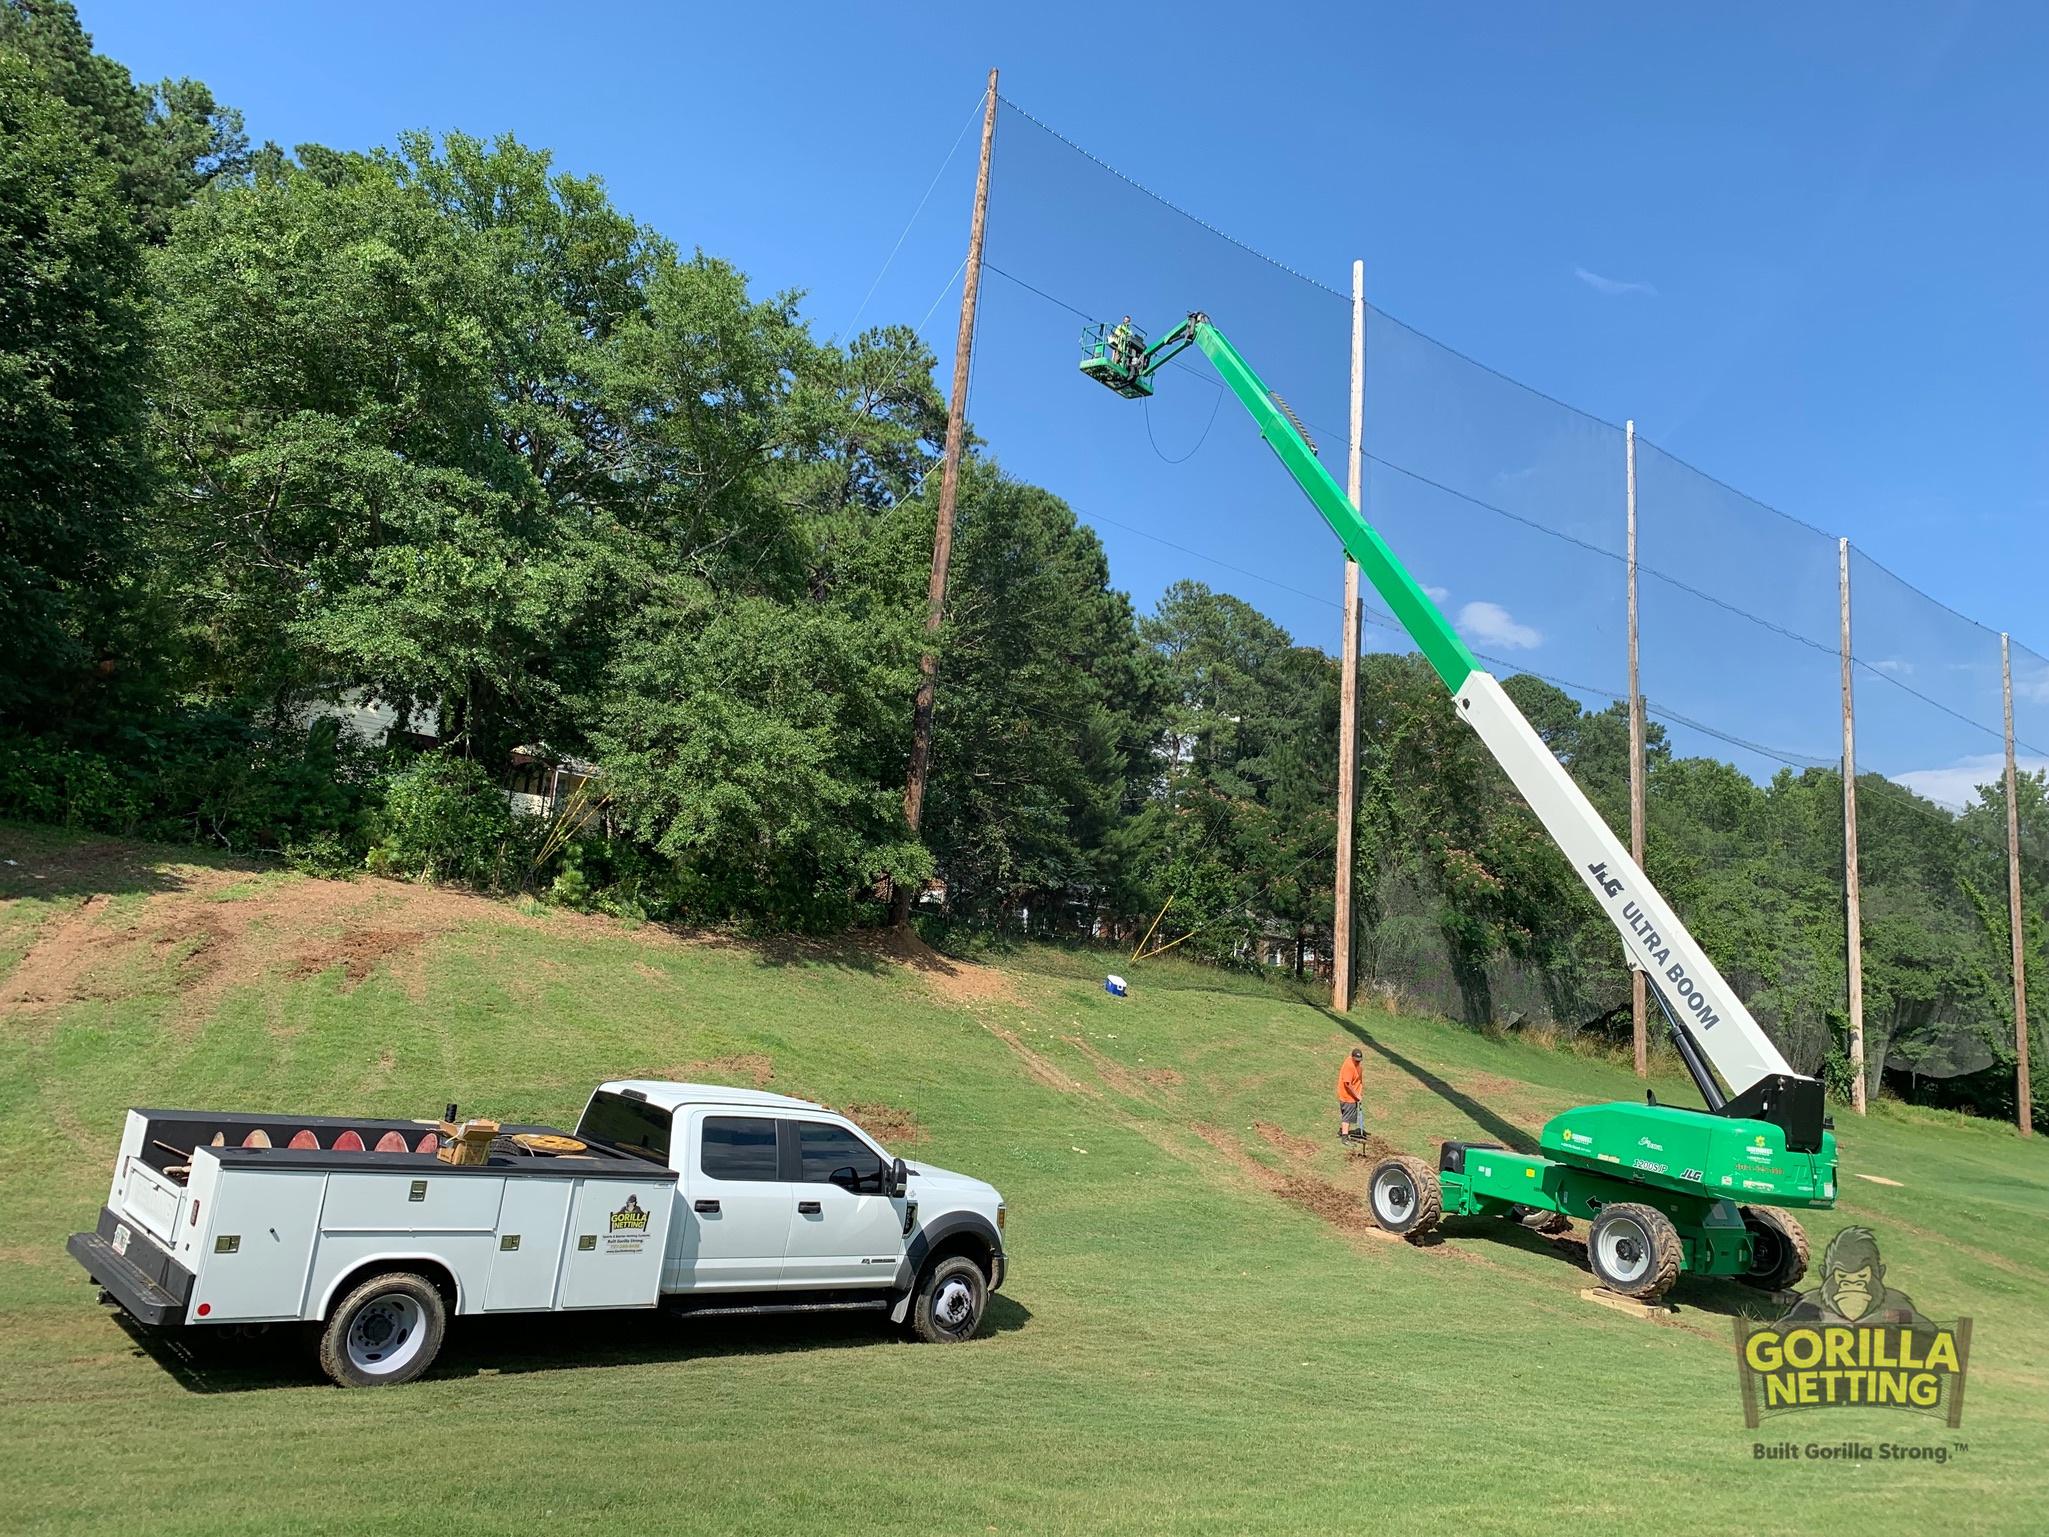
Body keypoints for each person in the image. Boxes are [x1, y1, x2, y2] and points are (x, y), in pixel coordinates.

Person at [1335, 1047, 1365, 1141]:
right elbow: (1348, 1084)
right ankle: (1344, 1137)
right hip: (1348, 1097)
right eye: (1356, 1060)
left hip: (1351, 1097)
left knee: (1347, 1116)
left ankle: (1342, 1131)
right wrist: (1357, 1095)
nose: (1358, 1062)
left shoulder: (1352, 1063)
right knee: (1347, 1118)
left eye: (1359, 1061)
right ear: (1352, 1057)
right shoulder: (1349, 1066)